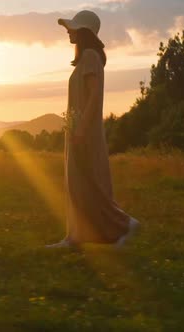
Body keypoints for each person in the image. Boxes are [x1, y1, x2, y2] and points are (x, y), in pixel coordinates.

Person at [46, 10, 139, 248]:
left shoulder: (90, 56)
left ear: (84, 31)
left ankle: (125, 225)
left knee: (90, 183)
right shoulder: (87, 57)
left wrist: (81, 130)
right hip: (79, 129)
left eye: (73, 28)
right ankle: (75, 235)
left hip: (84, 131)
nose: (68, 31)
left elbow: (95, 96)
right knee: (77, 183)